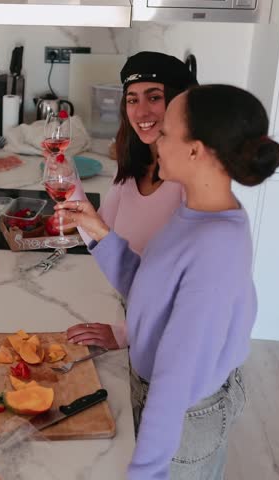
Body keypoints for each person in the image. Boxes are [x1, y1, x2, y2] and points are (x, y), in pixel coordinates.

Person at [59, 84, 279, 479]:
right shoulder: (196, 214)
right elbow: (150, 292)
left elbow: (176, 375)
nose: (155, 139)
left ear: (194, 150)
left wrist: (144, 471)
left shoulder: (215, 246)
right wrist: (100, 232)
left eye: (166, 133)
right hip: (166, 402)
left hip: (184, 420)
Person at [66, 51, 196, 350]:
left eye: (154, 97)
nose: (141, 111)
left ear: (178, 102)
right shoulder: (134, 168)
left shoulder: (193, 182)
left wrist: (125, 333)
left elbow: (188, 291)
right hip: (139, 320)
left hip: (173, 346)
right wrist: (64, 177)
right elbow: (100, 234)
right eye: (132, 99)